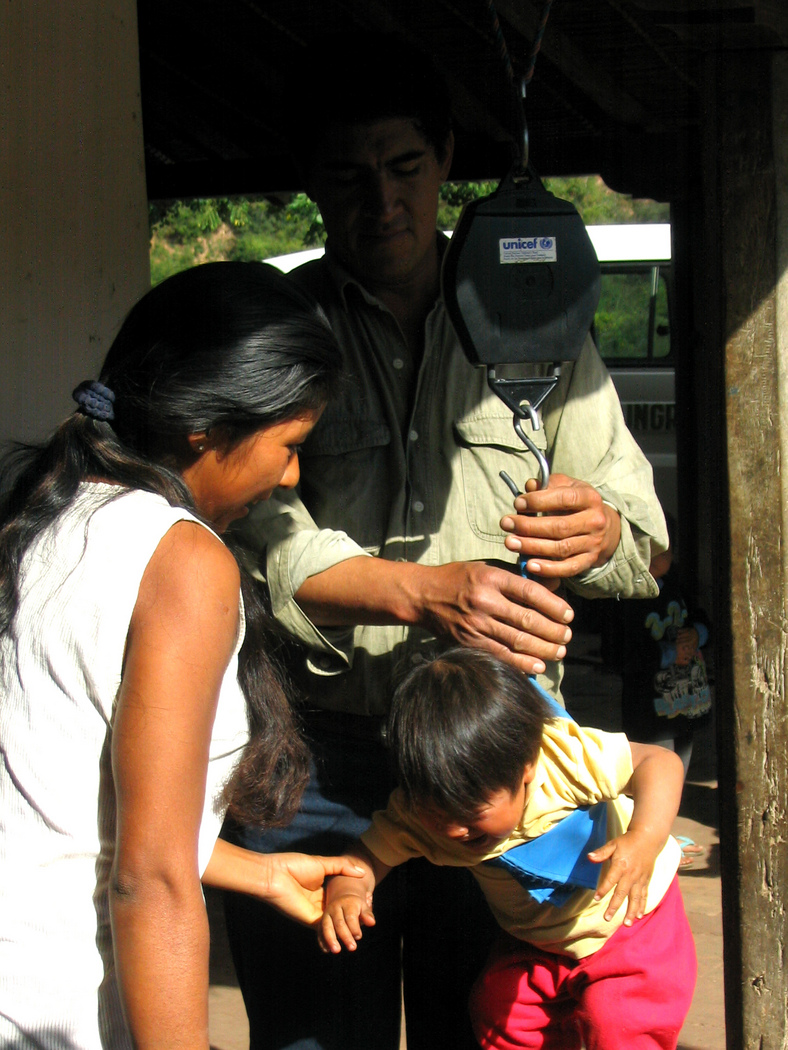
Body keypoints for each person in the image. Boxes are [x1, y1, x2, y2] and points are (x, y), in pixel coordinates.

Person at [223, 33, 669, 1050]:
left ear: (446, 159)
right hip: (315, 765)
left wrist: (602, 532)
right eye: (346, 174)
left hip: (500, 772)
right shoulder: (277, 334)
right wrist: (417, 590)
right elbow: (259, 533)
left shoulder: (540, 324)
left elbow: (648, 549)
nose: (379, 200)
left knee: (480, 1031)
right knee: (311, 1038)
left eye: (403, 167)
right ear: (308, 182)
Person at [0, 262, 365, 1050]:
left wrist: (261, 872)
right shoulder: (182, 561)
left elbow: (67, 801)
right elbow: (151, 879)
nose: (292, 475)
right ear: (206, 428)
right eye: (291, 443)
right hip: (60, 1008)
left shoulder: (49, 513)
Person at [320, 648, 697, 1050]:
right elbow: (369, 854)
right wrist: (350, 888)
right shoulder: (419, 814)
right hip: (538, 944)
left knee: (617, 1023)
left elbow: (658, 761)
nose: (454, 829)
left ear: (525, 767)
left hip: (632, 922)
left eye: (472, 811)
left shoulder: (561, 758)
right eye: (437, 813)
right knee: (500, 1013)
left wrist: (644, 837)